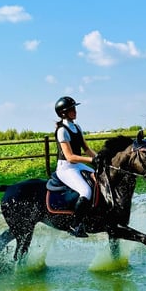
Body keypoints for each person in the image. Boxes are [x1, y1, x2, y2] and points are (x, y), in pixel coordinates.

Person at [54, 96, 97, 237]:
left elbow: (86, 148)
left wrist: (99, 159)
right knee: (86, 191)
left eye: (74, 108)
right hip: (66, 168)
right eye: (72, 109)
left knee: (100, 179)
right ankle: (76, 225)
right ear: (63, 113)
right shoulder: (62, 130)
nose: (75, 111)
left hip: (77, 165)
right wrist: (91, 160)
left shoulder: (77, 127)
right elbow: (69, 157)